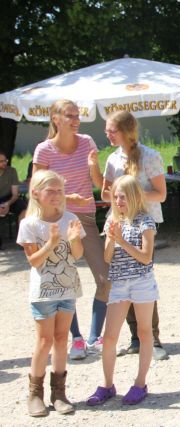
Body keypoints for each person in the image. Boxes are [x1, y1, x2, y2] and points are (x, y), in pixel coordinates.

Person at [32, 99, 110, 360]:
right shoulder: (43, 150)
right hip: (56, 220)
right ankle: (76, 338)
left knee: (105, 279)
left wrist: (93, 167)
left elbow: (99, 184)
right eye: (70, 116)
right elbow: (35, 191)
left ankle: (94, 337)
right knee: (63, 281)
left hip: (84, 218)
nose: (76, 120)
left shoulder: (87, 142)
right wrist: (66, 199)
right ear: (56, 119)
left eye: (78, 115)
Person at [17, 170, 85, 416]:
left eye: (60, 190)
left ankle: (59, 393)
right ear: (36, 193)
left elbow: (77, 255)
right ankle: (35, 394)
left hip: (68, 288)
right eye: (51, 191)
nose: (57, 195)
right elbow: (34, 261)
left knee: (61, 339)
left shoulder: (71, 218)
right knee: (44, 341)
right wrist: (51, 243)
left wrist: (74, 240)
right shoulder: (29, 224)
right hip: (43, 293)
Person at [101, 110, 168, 361]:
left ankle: (153, 339)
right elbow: (105, 194)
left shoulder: (150, 155)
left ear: (126, 131)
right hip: (118, 223)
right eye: (107, 130)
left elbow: (161, 194)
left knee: (143, 278)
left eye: (112, 130)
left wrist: (133, 196)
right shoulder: (112, 159)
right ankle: (135, 338)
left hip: (143, 224)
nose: (108, 134)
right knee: (121, 277)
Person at [87, 175, 158, 406]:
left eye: (123, 197)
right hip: (119, 283)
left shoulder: (145, 221)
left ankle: (140, 383)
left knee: (144, 332)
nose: (118, 201)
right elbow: (108, 258)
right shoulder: (112, 221)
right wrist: (111, 239)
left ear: (135, 197)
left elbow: (146, 258)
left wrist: (121, 241)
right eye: (116, 197)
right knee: (109, 337)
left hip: (142, 282)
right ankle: (107, 384)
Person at [0, 150, 27, 221]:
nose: (4, 163)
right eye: (1, 161)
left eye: (5, 160)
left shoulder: (12, 171)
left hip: (8, 198)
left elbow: (15, 194)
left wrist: (7, 204)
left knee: (23, 207)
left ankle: (22, 228)